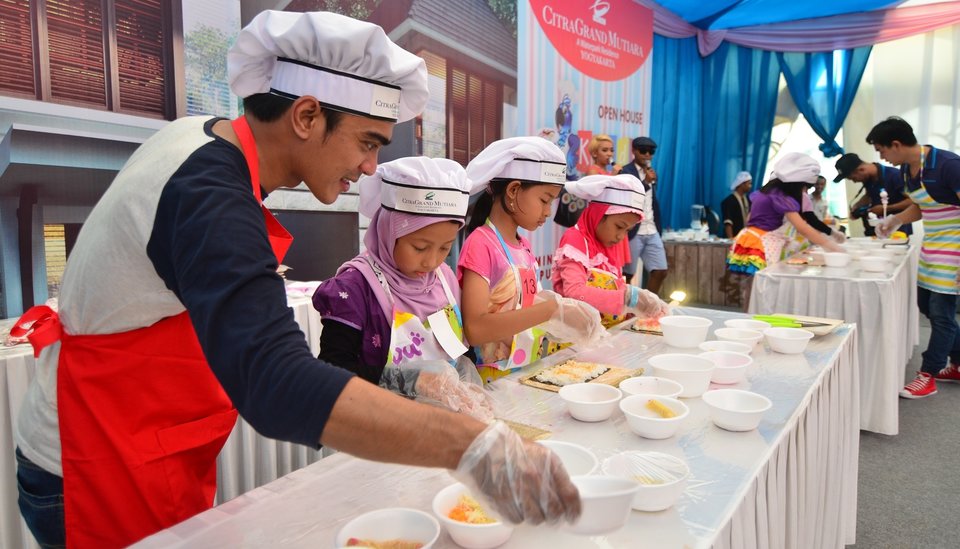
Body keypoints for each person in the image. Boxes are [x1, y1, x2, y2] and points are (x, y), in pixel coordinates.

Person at [11, 12, 579, 548]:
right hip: (91, 458)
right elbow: (275, 381)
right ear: (306, 117)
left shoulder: (208, 145)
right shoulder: (208, 193)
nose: (368, 169)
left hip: (146, 439)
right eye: (367, 143)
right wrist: (472, 447)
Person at [312, 157, 492, 421]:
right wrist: (407, 379)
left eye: (445, 248)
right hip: (378, 431)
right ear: (388, 232)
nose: (431, 262)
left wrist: (466, 380)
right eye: (419, 247)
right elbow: (332, 372)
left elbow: (455, 349)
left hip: (445, 427)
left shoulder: (443, 279)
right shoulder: (354, 290)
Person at [458, 137, 606, 383]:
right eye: (544, 200)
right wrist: (550, 310)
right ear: (514, 190)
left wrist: (563, 319)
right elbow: (475, 329)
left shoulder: (523, 246)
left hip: (527, 369)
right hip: (493, 380)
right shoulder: (481, 244)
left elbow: (527, 308)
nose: (548, 211)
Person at [869, 117, 960, 399]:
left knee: (942, 313)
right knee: (927, 306)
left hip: (955, 246)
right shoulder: (910, 170)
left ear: (896, 145)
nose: (883, 157)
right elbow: (922, 208)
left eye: (882, 150)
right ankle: (957, 364)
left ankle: (928, 374)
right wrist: (894, 220)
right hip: (934, 244)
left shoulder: (948, 165)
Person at [551, 174, 670, 327]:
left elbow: (614, 287)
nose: (621, 236)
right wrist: (627, 298)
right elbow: (573, 291)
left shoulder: (608, 245)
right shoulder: (575, 239)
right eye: (619, 227)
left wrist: (638, 307)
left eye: (627, 230)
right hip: (576, 334)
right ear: (598, 215)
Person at [727, 152, 844, 275]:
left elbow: (748, 219)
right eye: (804, 187)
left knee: (756, 284)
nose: (804, 191)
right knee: (767, 284)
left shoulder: (765, 192)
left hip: (748, 239)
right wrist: (830, 245)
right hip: (764, 244)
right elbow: (803, 228)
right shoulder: (780, 197)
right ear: (795, 184)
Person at [621, 136, 669, 293]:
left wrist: (649, 181)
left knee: (660, 271)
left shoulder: (652, 174)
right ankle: (622, 309)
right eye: (643, 151)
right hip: (633, 229)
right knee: (626, 274)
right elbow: (628, 198)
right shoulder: (626, 172)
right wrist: (646, 183)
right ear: (634, 151)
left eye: (651, 152)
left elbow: (652, 201)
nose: (647, 155)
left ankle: (648, 305)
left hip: (651, 228)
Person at [834, 152, 913, 237]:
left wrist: (886, 209)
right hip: (875, 230)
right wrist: (857, 206)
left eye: (853, 178)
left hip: (897, 231)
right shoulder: (869, 179)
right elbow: (869, 196)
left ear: (861, 169)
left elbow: (912, 201)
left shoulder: (895, 175)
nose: (854, 181)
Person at [721, 171, 753, 239]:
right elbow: (728, 222)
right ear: (742, 184)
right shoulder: (729, 201)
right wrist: (731, 239)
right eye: (749, 184)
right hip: (734, 237)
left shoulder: (748, 200)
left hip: (745, 238)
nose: (750, 186)